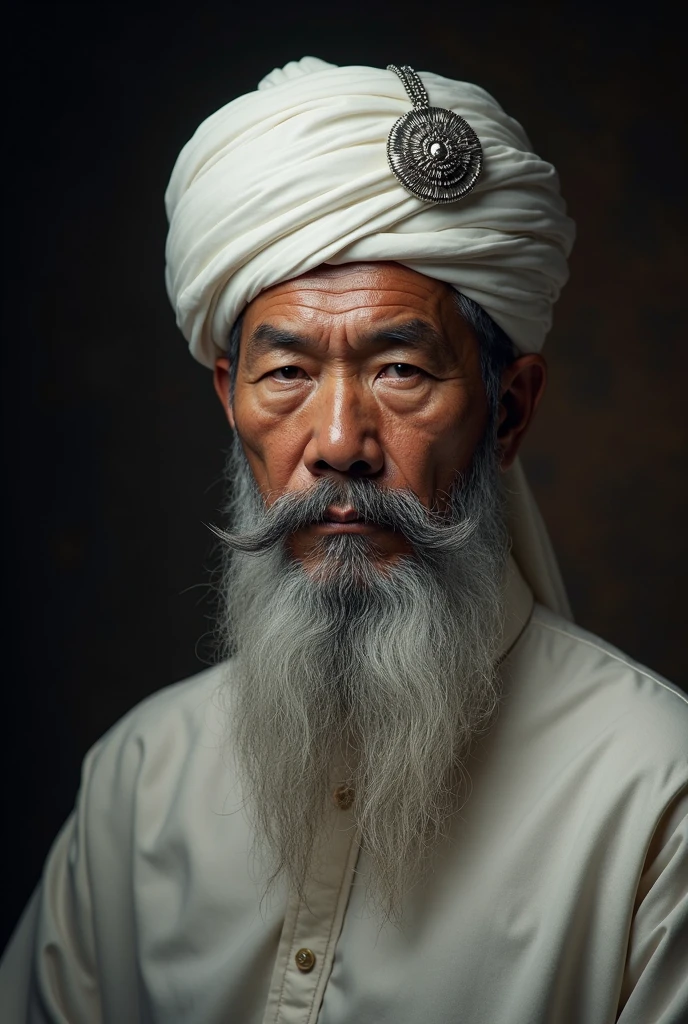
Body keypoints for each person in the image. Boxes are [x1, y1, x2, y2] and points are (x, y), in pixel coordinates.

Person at [1, 57, 686, 1024]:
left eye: (401, 368)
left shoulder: (658, 798)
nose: (336, 446)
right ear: (228, 400)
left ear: (508, 410)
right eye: (284, 374)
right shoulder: (140, 781)